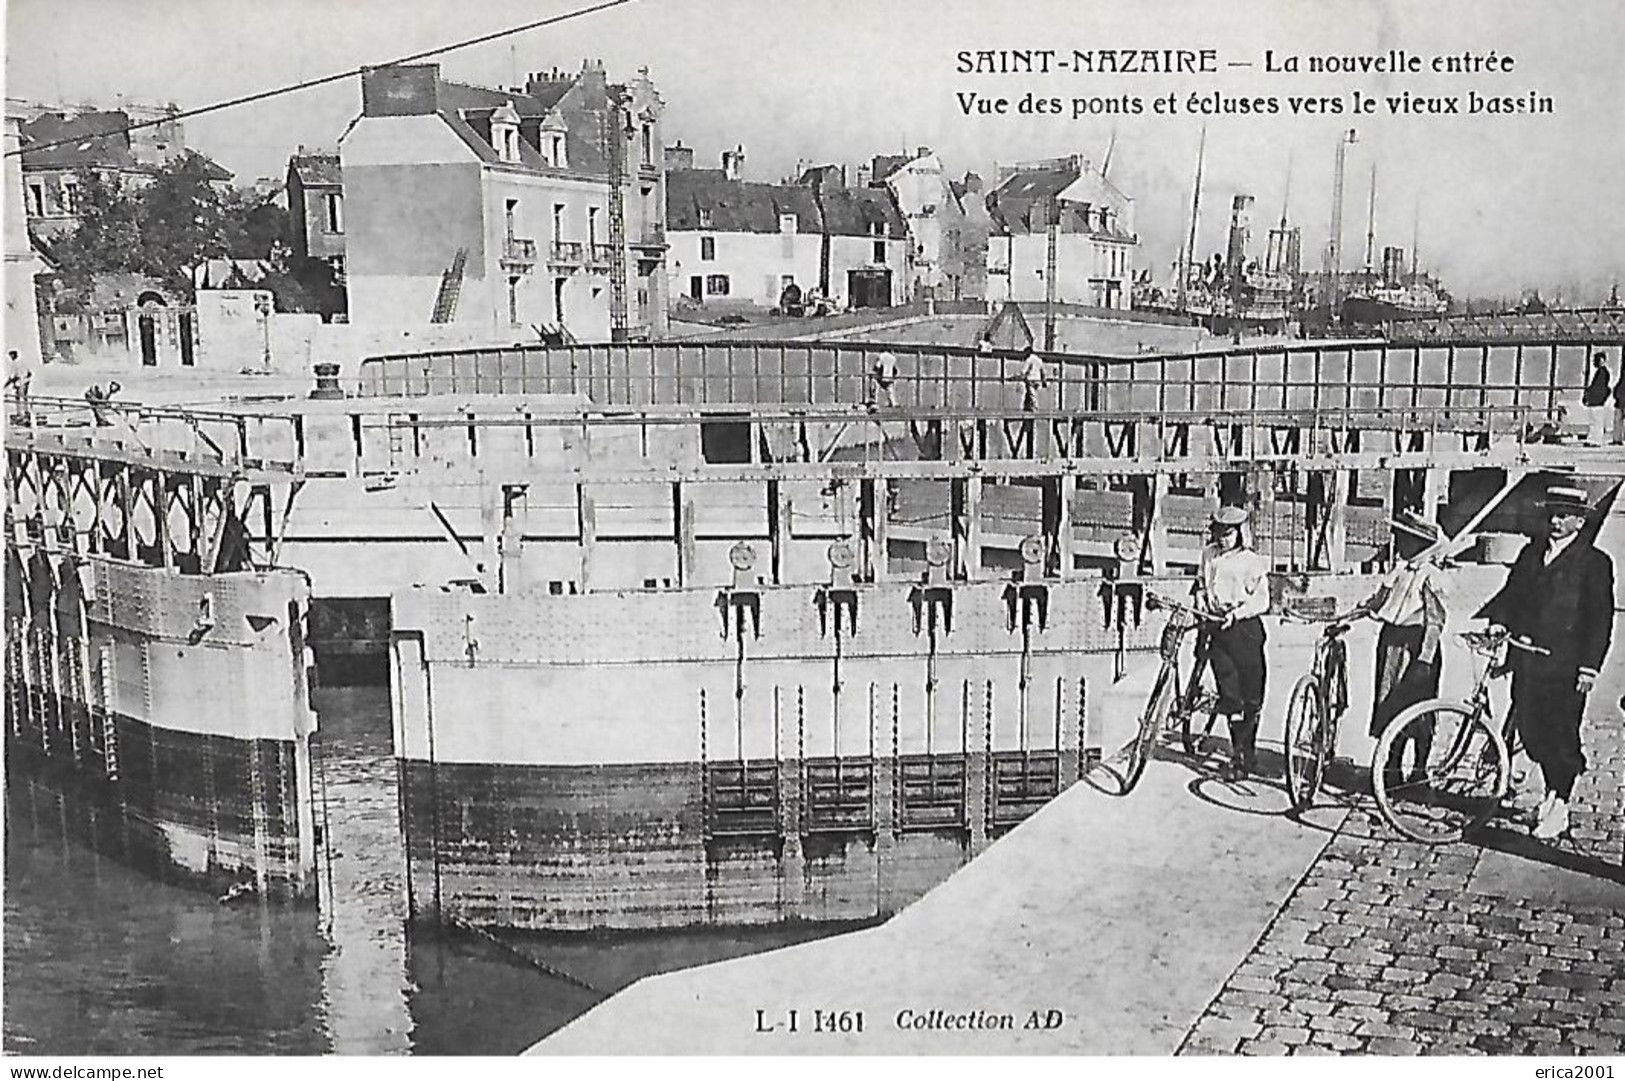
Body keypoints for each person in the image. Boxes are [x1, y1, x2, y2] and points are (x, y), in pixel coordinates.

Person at [1479, 485, 1615, 839]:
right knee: (1531, 732)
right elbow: (1512, 595)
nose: (1555, 522)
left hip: (1566, 667)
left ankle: (1559, 804)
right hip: (1527, 660)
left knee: (1560, 735)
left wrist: (1590, 666)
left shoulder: (1594, 563)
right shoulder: (1531, 553)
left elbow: (1600, 618)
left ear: (1580, 521)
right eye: (1551, 515)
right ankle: (1550, 790)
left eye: (1563, 516)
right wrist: (1500, 621)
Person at [1358, 513, 1450, 790]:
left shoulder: (1432, 576)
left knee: (1419, 707)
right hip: (1392, 644)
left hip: (1417, 646)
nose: (1399, 544)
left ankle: (1420, 771)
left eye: (1407, 540)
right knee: (1390, 703)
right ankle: (1392, 767)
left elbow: (1435, 621)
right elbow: (1378, 601)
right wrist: (1356, 611)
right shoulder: (1398, 571)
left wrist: (1425, 658)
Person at [1195, 505, 1272, 780]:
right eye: (1220, 533)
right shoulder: (1208, 555)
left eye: (1230, 534)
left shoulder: (1251, 561)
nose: (1225, 539)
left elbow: (1262, 600)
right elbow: (1202, 586)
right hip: (1218, 629)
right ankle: (1238, 755)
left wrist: (1236, 614)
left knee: (1252, 695)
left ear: (1240, 533)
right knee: (1230, 695)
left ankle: (1247, 751)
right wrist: (1202, 602)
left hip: (1245, 630)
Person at [1582, 351, 1611, 445]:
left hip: (1597, 400)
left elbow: (1598, 387)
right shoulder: (1603, 372)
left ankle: (1595, 440)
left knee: (1596, 421)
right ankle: (1593, 439)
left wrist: (1588, 395)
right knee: (1595, 420)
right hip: (1598, 400)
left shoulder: (1602, 373)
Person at [1613, 360, 1625, 446]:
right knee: (1618, 420)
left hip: (1620, 401)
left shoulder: (1622, 377)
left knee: (1618, 420)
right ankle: (1617, 439)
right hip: (1621, 400)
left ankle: (1617, 439)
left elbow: (1618, 389)